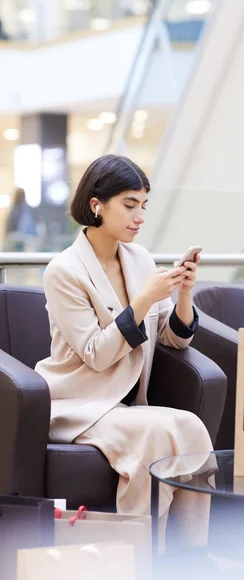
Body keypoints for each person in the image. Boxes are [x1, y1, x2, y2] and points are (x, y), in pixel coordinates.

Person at [35, 154, 213, 549]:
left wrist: (183, 293)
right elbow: (96, 353)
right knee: (157, 433)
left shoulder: (139, 259)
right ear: (97, 205)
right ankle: (142, 557)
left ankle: (192, 556)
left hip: (126, 404)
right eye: (130, 205)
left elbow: (173, 339)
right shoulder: (63, 271)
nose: (140, 216)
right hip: (79, 404)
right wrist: (145, 299)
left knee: (192, 428)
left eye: (143, 206)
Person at [4, 187, 38, 252]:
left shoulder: (14, 209)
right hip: (29, 237)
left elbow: (9, 225)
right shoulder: (29, 208)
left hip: (14, 237)